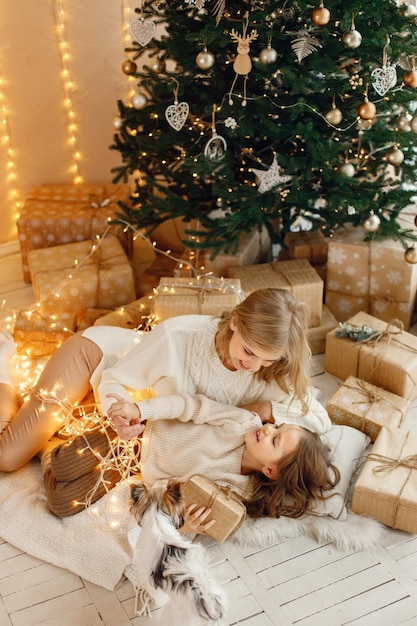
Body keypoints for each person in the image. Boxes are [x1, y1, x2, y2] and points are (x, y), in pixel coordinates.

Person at [0, 288, 334, 525]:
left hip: (141, 422)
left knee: (52, 448)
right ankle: (4, 364)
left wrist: (266, 409)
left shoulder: (273, 366)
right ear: (235, 322)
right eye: (248, 352)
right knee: (9, 455)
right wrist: (121, 414)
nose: (253, 366)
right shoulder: (179, 335)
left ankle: (38, 407)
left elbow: (320, 421)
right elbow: (116, 379)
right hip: (101, 364)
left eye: (266, 359)